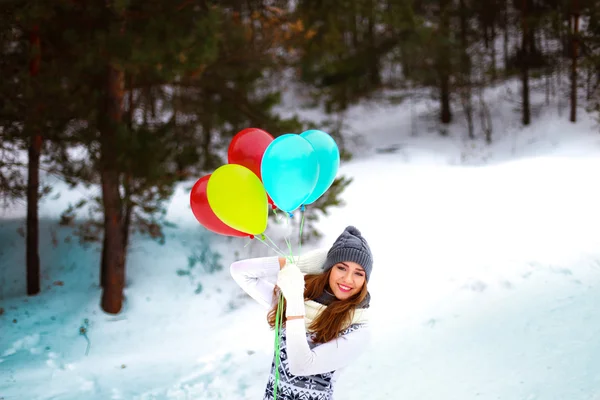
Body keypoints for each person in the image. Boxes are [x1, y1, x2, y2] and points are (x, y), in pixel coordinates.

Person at [230, 226, 373, 400]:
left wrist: (295, 302)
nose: (348, 279)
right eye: (341, 268)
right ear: (328, 269)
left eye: (359, 273)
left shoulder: (357, 329)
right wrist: (296, 263)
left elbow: (301, 366)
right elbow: (240, 272)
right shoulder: (297, 299)